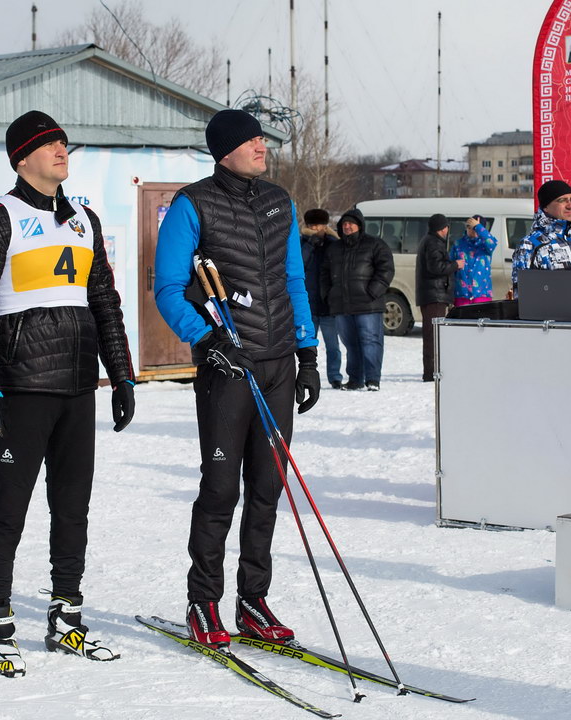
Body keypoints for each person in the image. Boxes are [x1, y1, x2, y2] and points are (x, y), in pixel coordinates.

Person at [0, 111, 136, 676]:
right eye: (49, 144)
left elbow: (104, 302)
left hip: (78, 385)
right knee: (8, 510)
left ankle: (66, 618)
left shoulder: (85, 218)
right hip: (21, 388)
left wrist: (122, 373)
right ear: (21, 158)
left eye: (62, 142)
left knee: (72, 509)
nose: (61, 150)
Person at [154, 109, 320, 647]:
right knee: (221, 490)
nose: (261, 146)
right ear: (225, 147)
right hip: (227, 368)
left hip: (277, 366)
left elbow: (293, 278)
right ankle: (203, 602)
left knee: (268, 489)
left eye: (262, 139)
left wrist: (308, 351)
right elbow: (168, 289)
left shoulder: (280, 201)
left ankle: (254, 600)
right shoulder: (192, 203)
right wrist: (207, 339)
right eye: (251, 139)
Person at [321, 207, 394, 391]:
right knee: (351, 344)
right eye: (344, 223)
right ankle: (355, 379)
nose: (347, 226)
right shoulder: (334, 248)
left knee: (371, 341)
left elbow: (386, 269)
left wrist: (372, 292)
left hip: (368, 304)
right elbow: (324, 274)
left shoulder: (375, 244)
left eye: (351, 223)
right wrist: (329, 295)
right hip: (342, 305)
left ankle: (372, 379)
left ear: (359, 226)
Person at [510, 180, 571, 319]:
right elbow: (522, 297)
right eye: (562, 200)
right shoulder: (530, 245)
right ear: (546, 207)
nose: (570, 206)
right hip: (556, 327)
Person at [415, 214, 464, 382]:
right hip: (434, 295)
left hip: (432, 294)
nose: (447, 230)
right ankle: (431, 373)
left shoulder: (428, 240)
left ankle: (432, 371)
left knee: (432, 334)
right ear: (442, 228)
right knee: (433, 335)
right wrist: (456, 264)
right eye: (446, 227)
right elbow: (436, 267)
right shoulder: (434, 243)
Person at [300, 208, 342, 388]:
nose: (316, 229)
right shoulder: (302, 242)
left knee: (333, 346)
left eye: (319, 225)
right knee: (307, 346)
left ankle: (335, 376)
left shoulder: (333, 243)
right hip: (308, 304)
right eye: (313, 225)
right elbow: (299, 264)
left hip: (328, 305)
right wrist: (310, 244)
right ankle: (306, 375)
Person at [451, 215, 498, 306]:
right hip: (462, 295)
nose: (471, 230)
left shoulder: (485, 245)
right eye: (469, 227)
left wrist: (478, 227)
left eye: (473, 228)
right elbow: (450, 267)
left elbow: (493, 243)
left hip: (482, 295)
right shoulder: (458, 244)